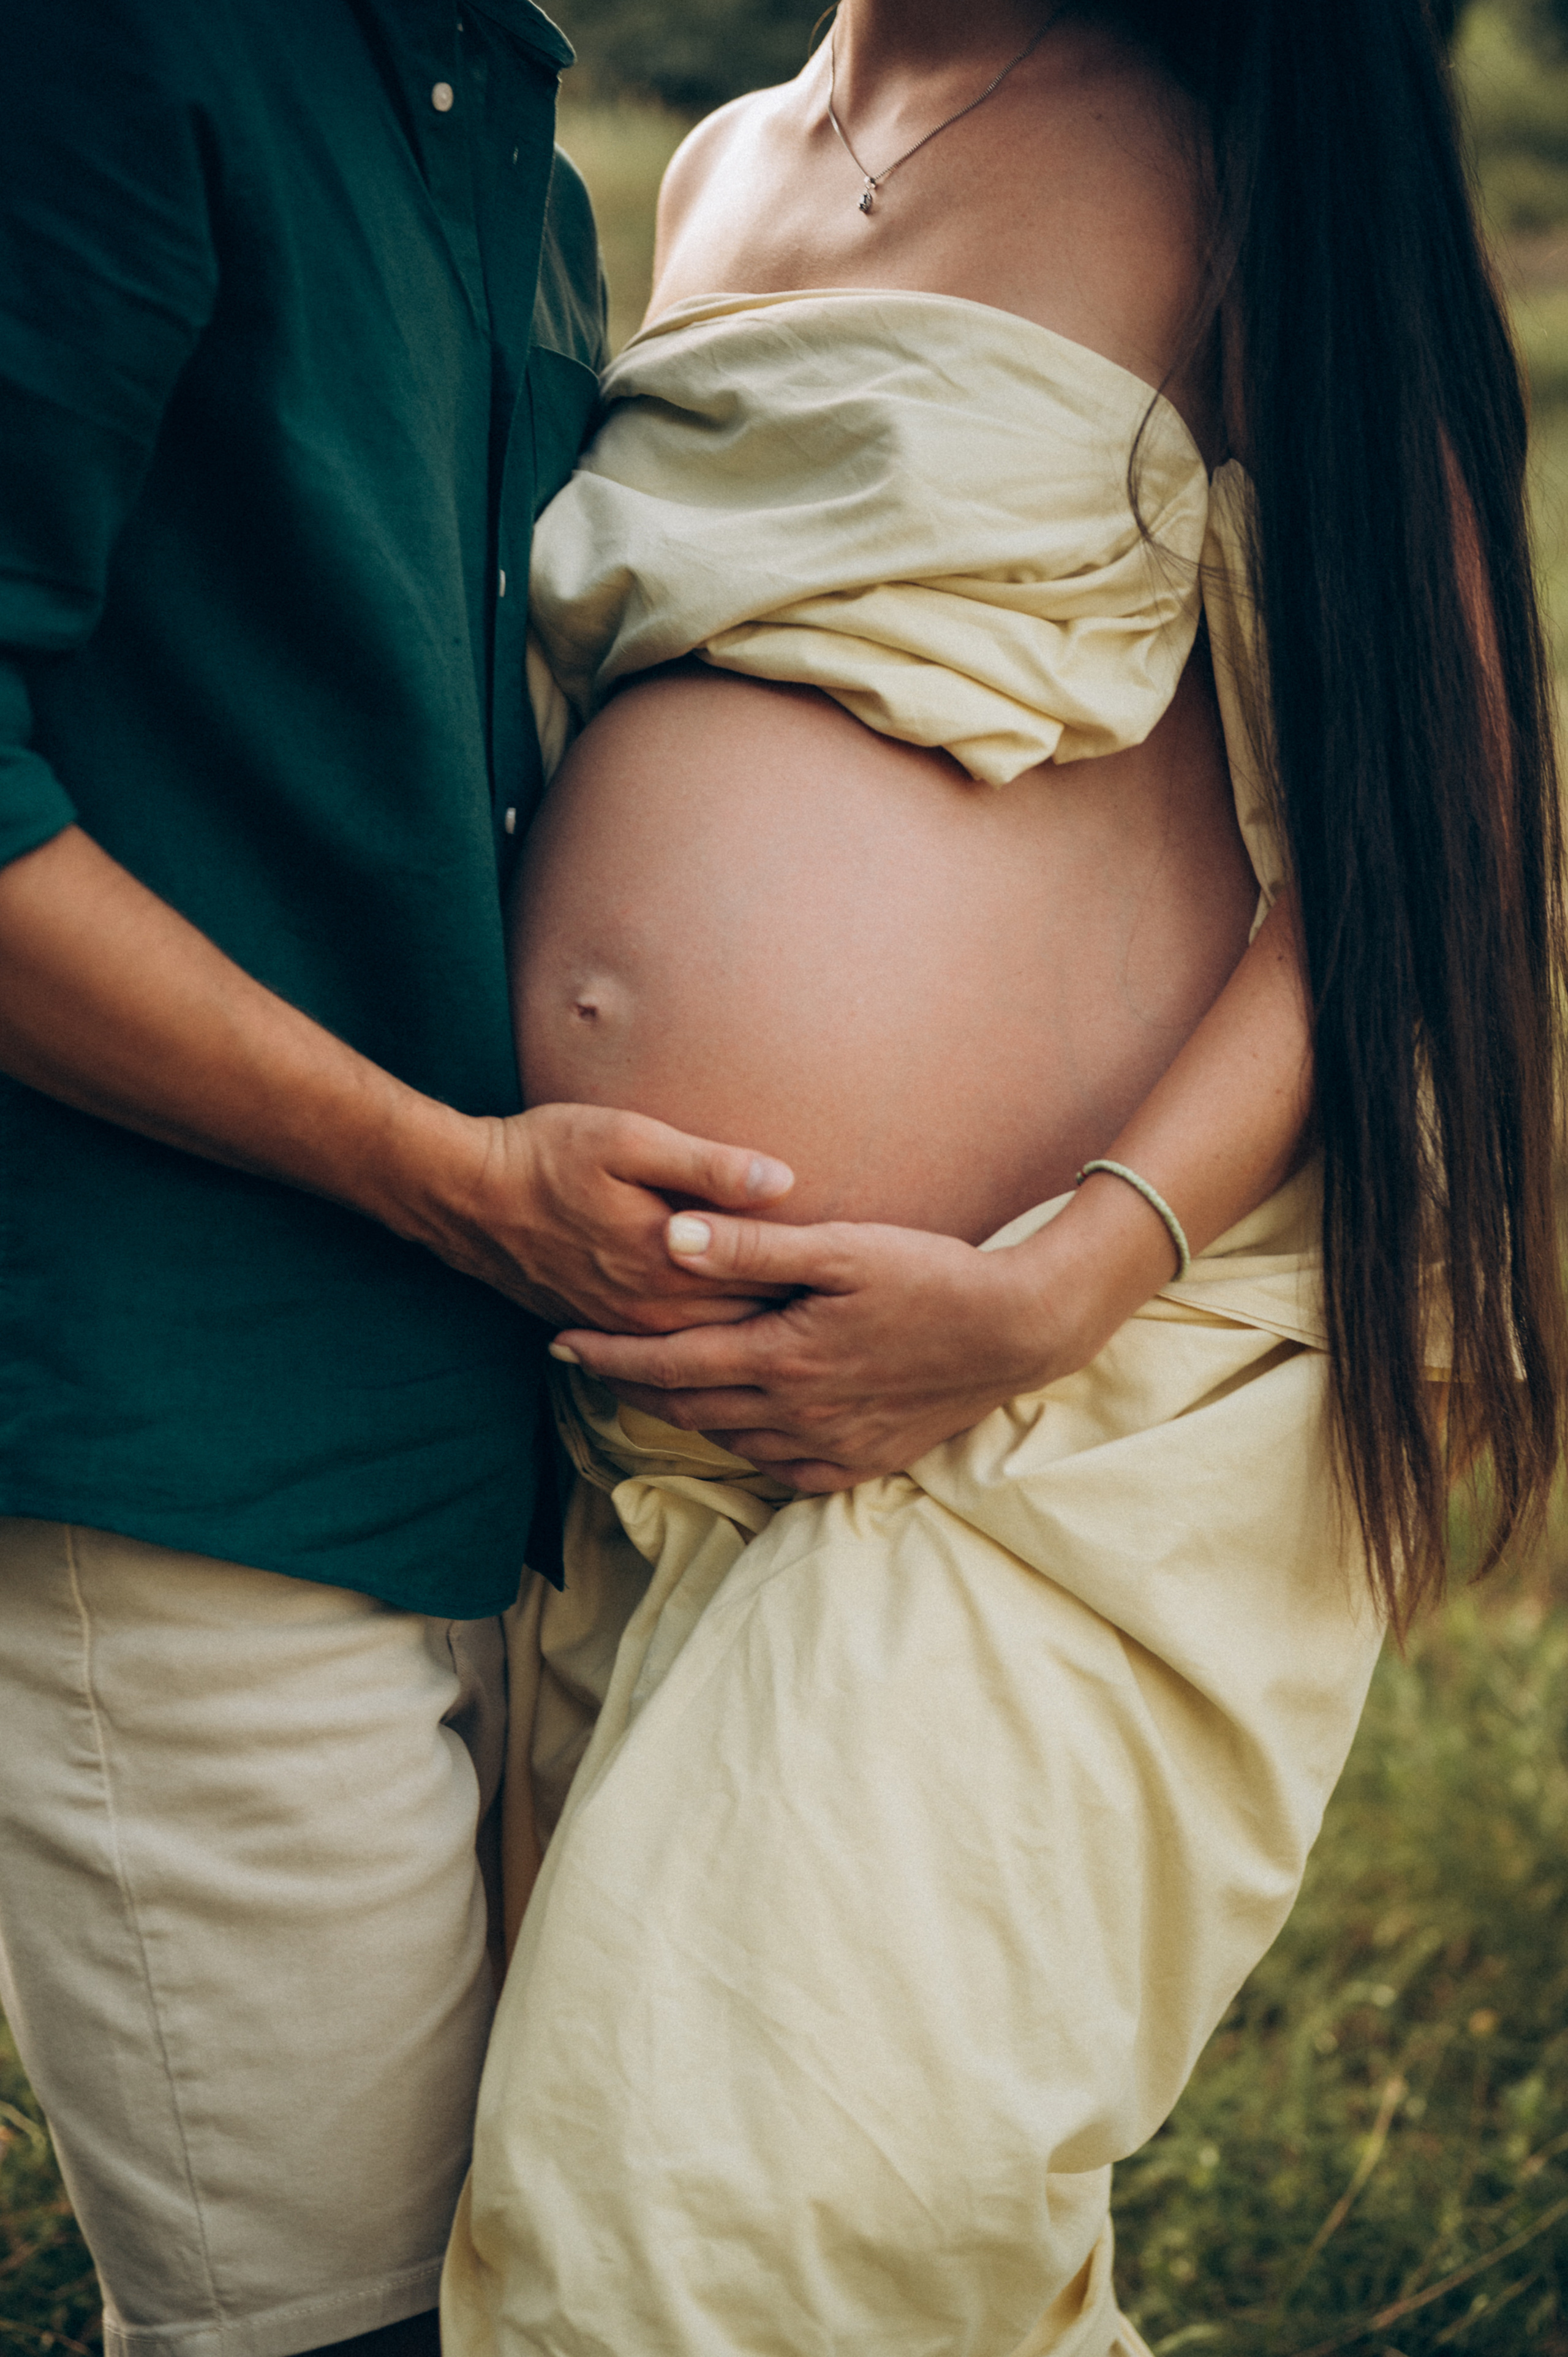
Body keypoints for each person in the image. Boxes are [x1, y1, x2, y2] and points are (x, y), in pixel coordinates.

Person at [440, 1, 1568, 2350]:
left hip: (1047, 1411)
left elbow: (1415, 832)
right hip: (634, 1425)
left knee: (699, 2230)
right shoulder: (723, 162)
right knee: (815, 2236)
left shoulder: (1243, 157)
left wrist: (1053, 1283)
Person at [0, 9, 802, 2356]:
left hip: (527, 1440)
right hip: (199, 1433)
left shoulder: (512, 130)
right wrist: (449, 1174)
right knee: (328, 2327)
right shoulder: (117, 51)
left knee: (565, 2287)